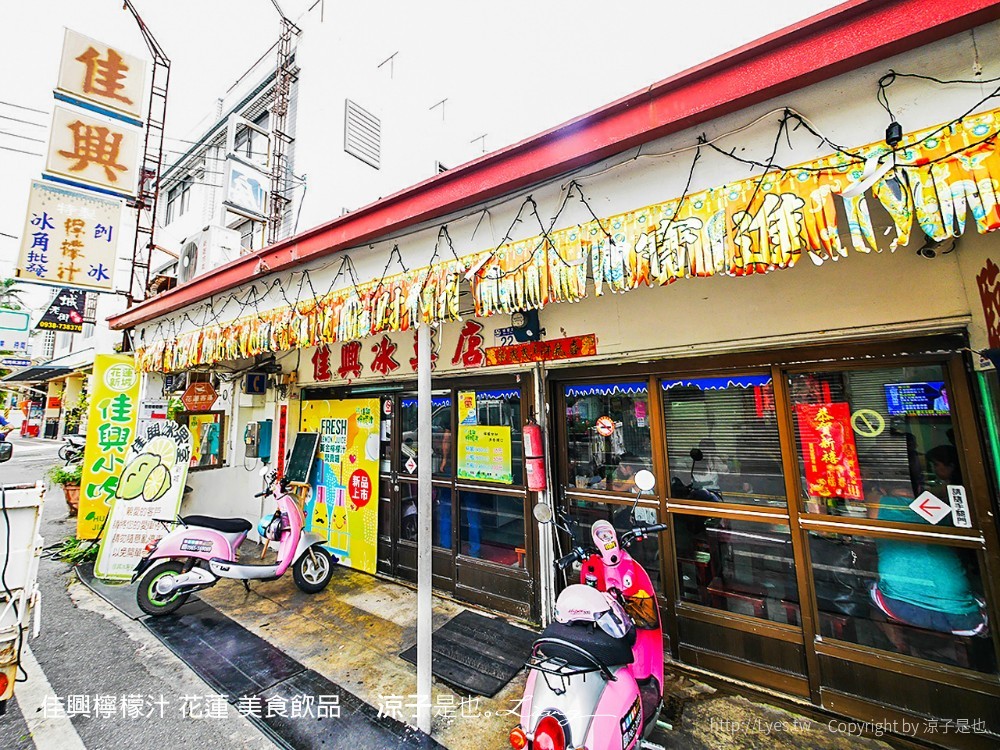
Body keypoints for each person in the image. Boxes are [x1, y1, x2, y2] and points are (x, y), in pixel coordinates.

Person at [868, 464, 988, 638]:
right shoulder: (941, 508)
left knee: (866, 589)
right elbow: (951, 490)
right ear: (920, 485)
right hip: (963, 617)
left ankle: (897, 644)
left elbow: (871, 497)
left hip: (898, 606)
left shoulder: (880, 505)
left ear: (882, 488)